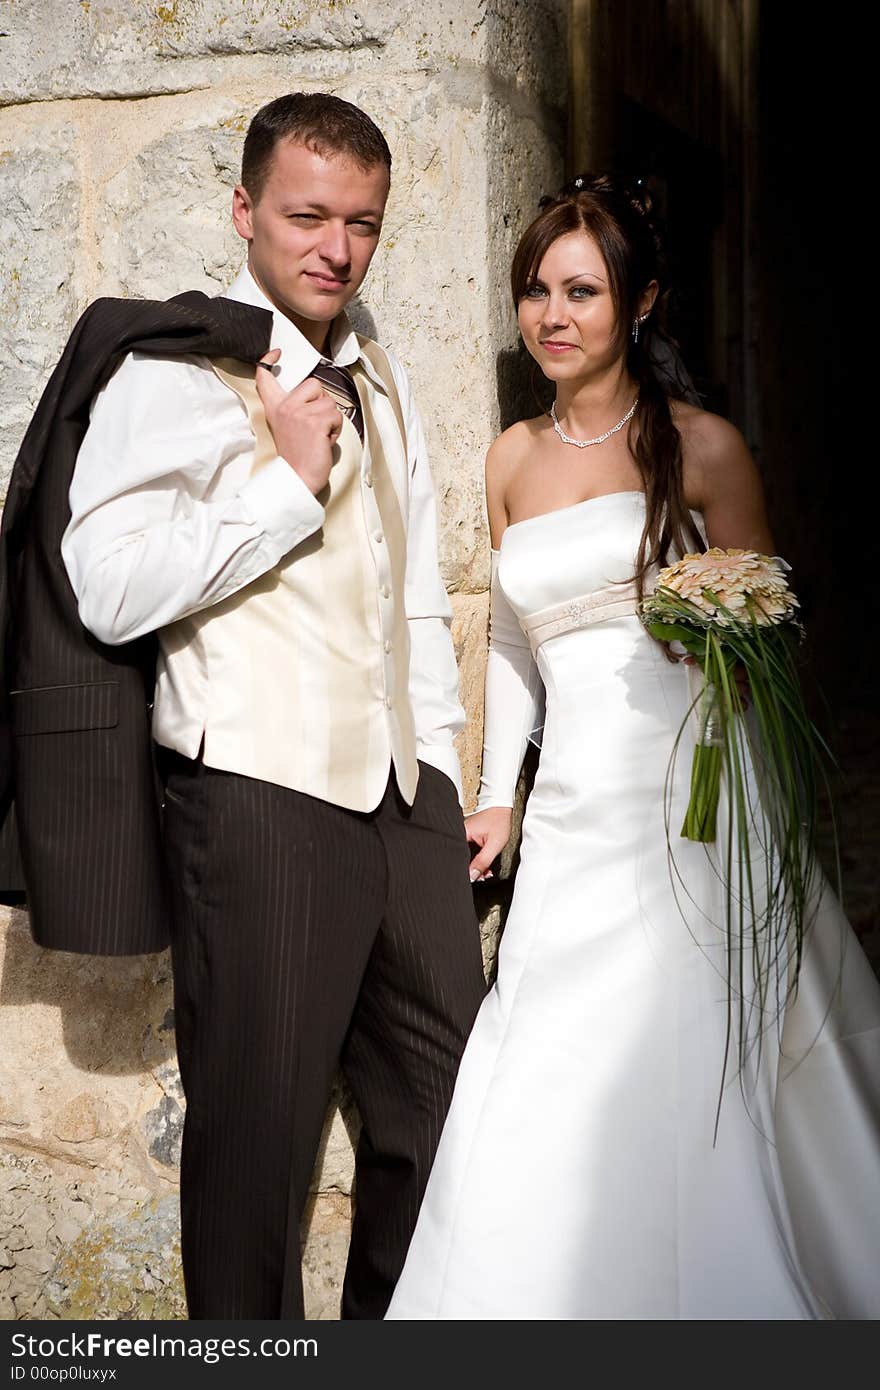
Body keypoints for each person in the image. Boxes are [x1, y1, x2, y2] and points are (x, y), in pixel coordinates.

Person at [386, 175, 880, 1320]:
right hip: (572, 811)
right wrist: (499, 795)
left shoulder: (702, 449)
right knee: (549, 1043)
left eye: (581, 291)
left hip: (691, 796)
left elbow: (769, 622)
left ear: (641, 302)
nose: (550, 316)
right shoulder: (510, 456)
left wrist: (733, 668)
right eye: (533, 292)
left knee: (694, 1044)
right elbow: (513, 636)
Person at [55, 93, 486, 1320]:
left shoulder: (380, 366)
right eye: (305, 215)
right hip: (255, 790)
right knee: (256, 1140)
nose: (334, 248)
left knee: (452, 1102)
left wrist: (439, 766)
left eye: (361, 223)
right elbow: (108, 584)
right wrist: (282, 486)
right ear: (245, 211)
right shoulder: (178, 368)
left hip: (399, 801)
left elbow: (406, 589)